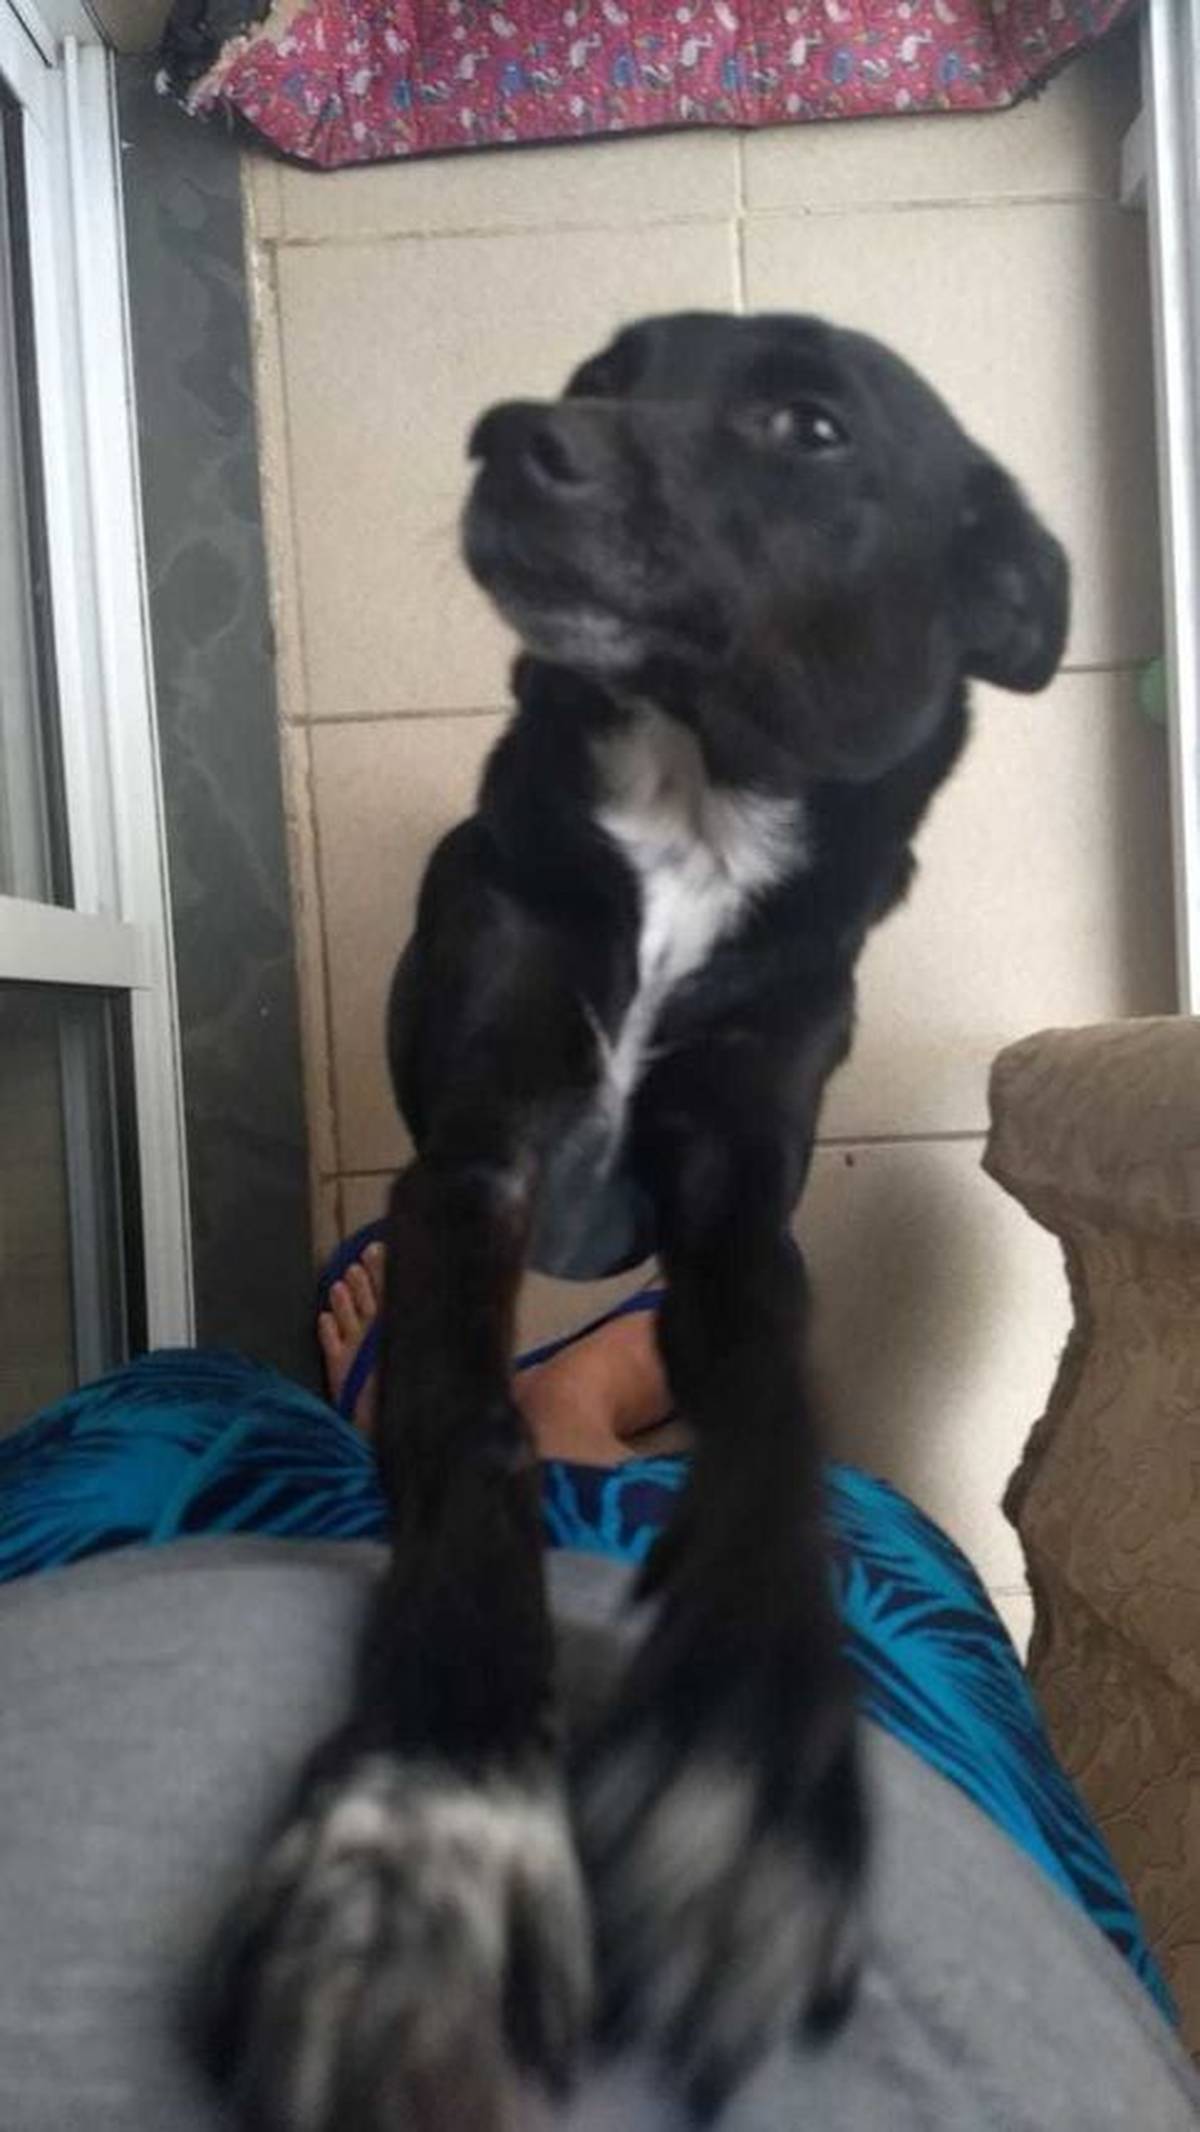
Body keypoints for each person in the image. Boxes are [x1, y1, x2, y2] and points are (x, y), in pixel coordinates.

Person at [0, 1236, 1196, 2131]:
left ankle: (432, 1427)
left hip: (97, 1663)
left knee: (174, 1439)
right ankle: (563, 1419)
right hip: (890, 1886)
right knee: (809, 1579)